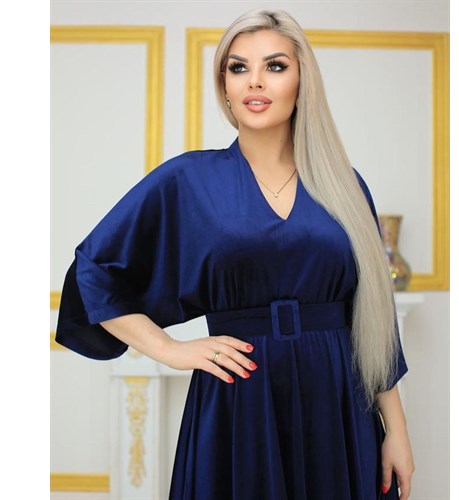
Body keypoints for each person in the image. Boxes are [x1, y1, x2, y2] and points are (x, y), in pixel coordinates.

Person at [55, 8, 415, 500]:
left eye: (275, 66)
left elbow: (372, 315)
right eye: (238, 67)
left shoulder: (345, 186)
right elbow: (94, 270)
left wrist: (396, 428)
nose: (255, 81)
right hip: (239, 398)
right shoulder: (188, 179)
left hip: (338, 401)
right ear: (224, 86)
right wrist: (170, 349)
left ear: (302, 82)